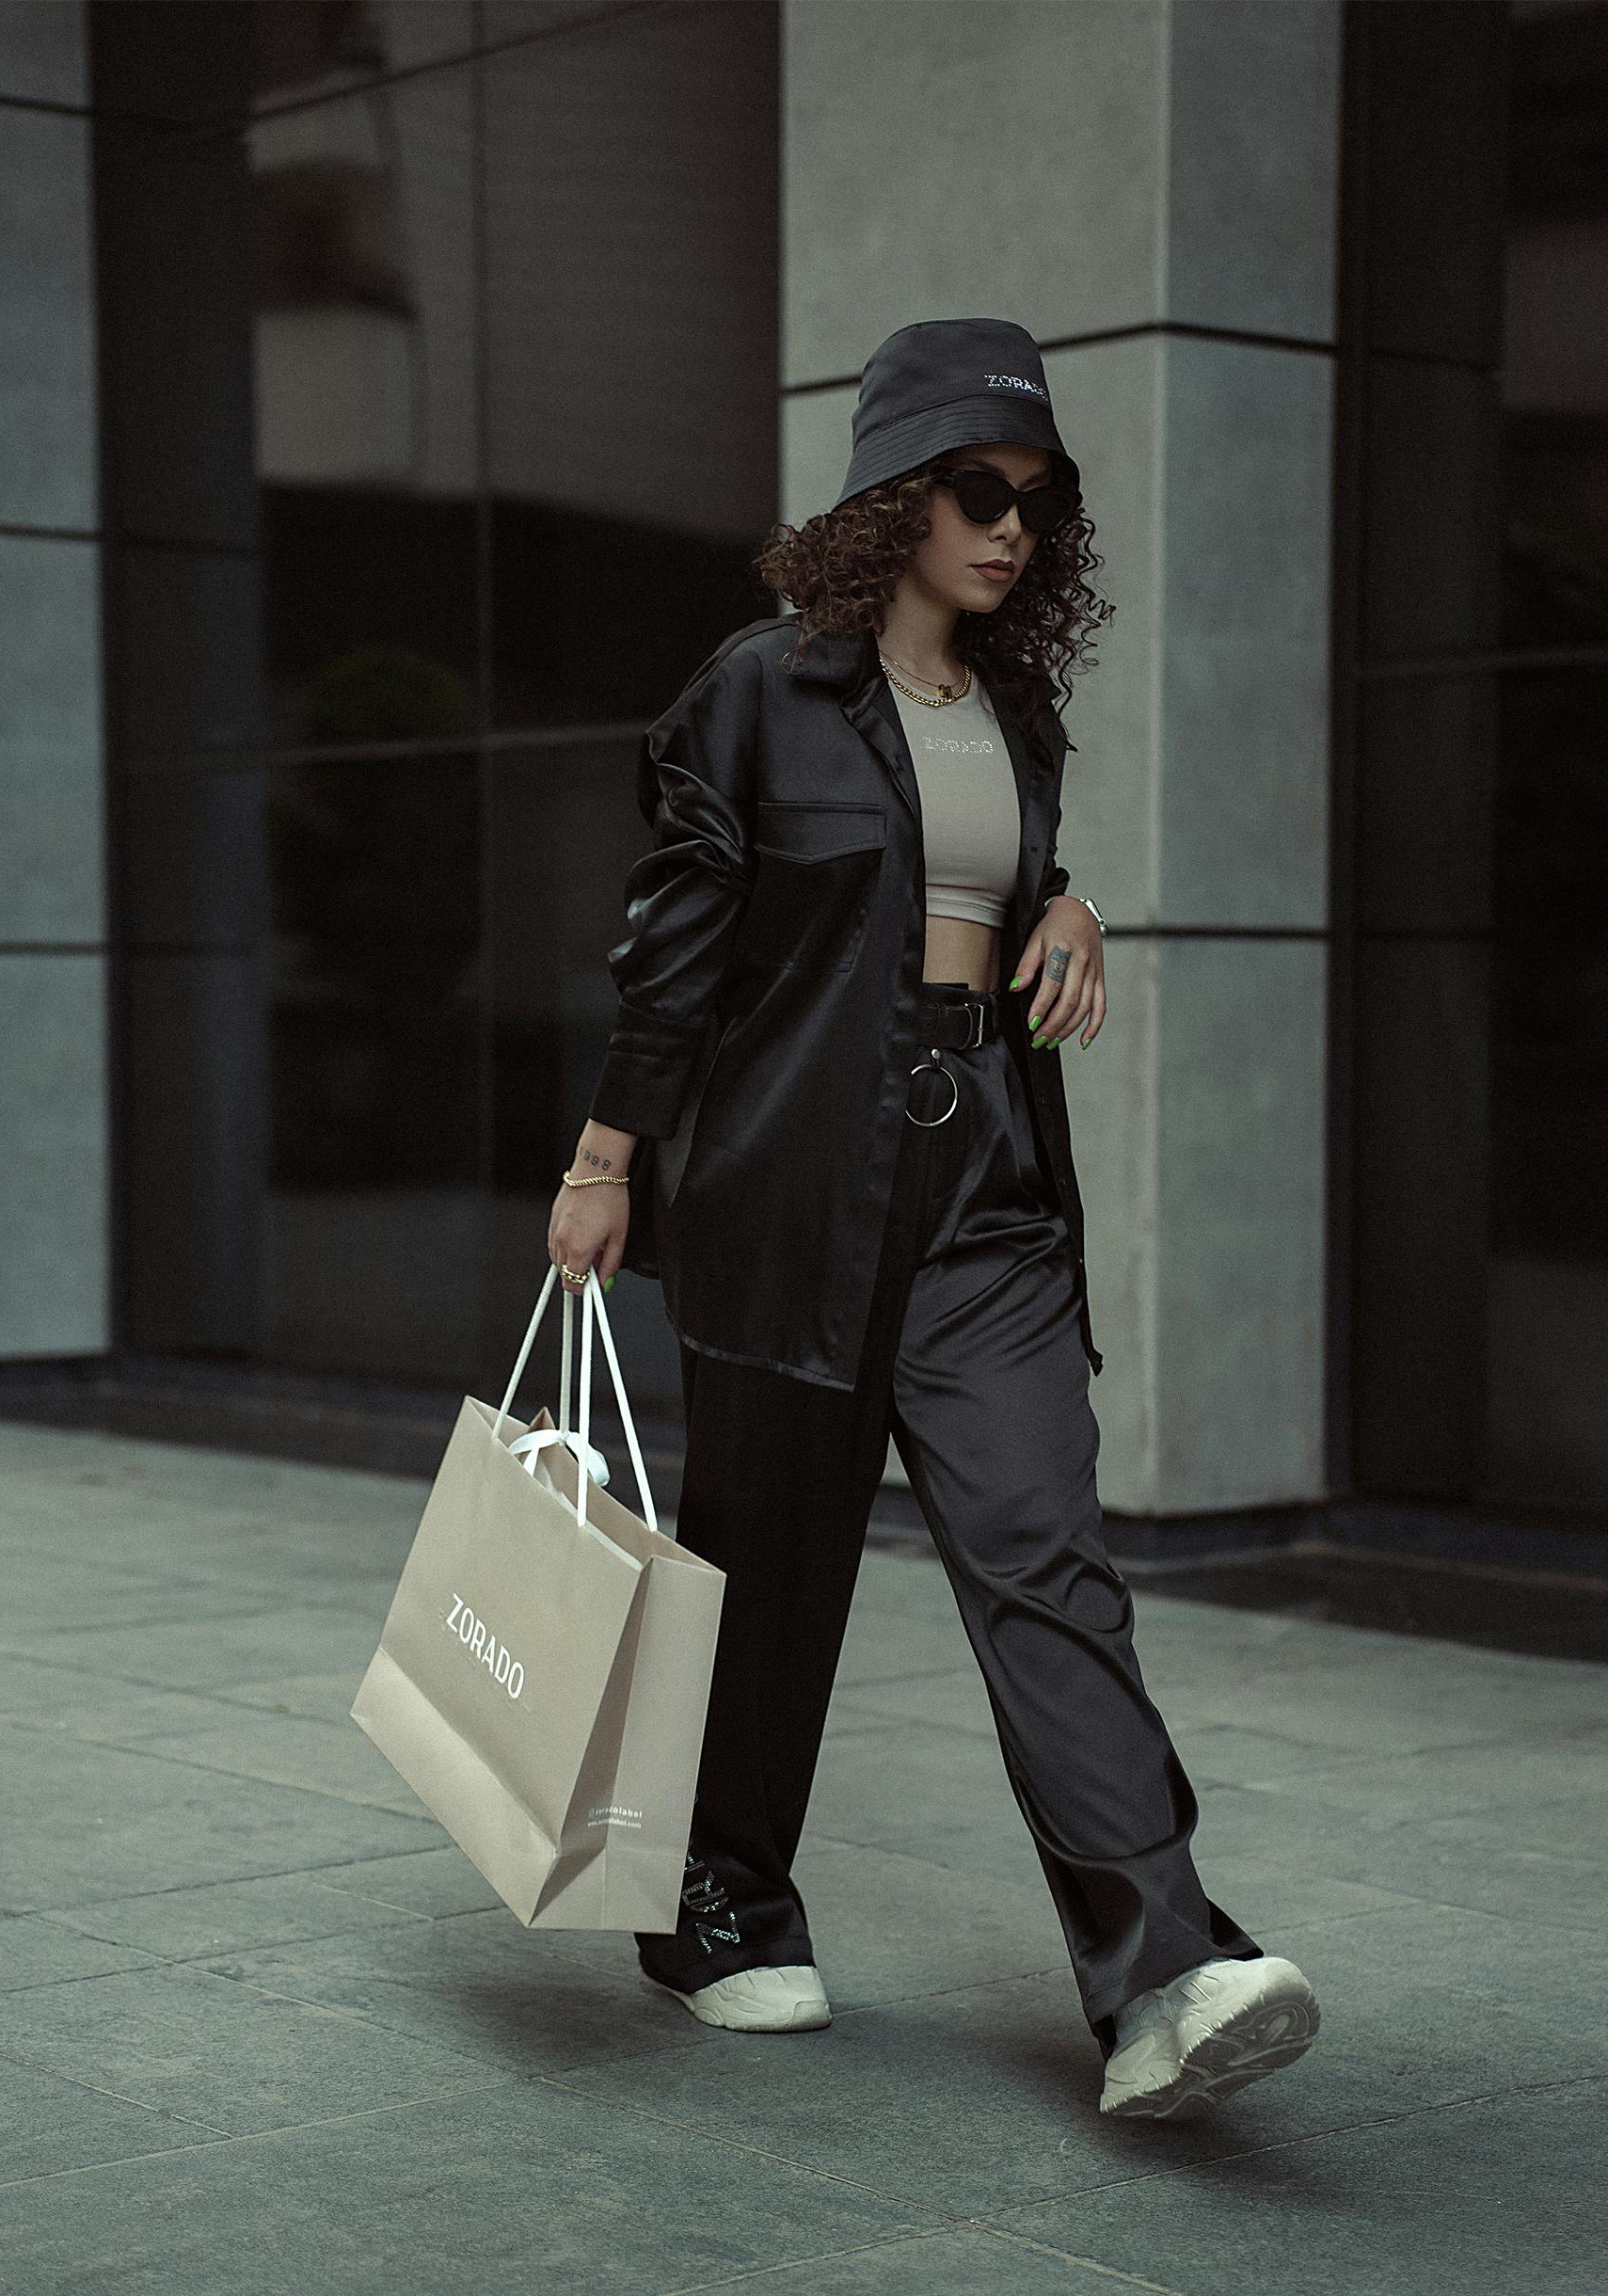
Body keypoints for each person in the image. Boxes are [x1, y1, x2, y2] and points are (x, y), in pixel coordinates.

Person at [548, 318, 1319, 2120]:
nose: (1011, 530)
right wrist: (604, 1165)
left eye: (1038, 505)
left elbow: (994, 881)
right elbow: (676, 952)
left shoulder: (1016, 707)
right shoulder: (757, 692)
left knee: (1047, 1556)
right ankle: (718, 1902)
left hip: (986, 1181)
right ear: (892, 494)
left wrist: (1079, 905)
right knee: (775, 1567)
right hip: (792, 1188)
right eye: (980, 492)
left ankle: (1164, 1972)